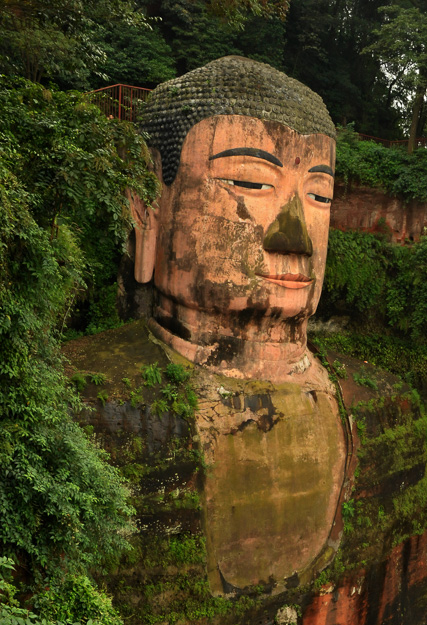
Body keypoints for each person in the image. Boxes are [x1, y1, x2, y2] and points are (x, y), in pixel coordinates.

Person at [129, 56, 346, 591]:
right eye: (250, 181)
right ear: (146, 210)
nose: (294, 234)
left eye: (320, 194)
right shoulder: (94, 420)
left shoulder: (379, 411)